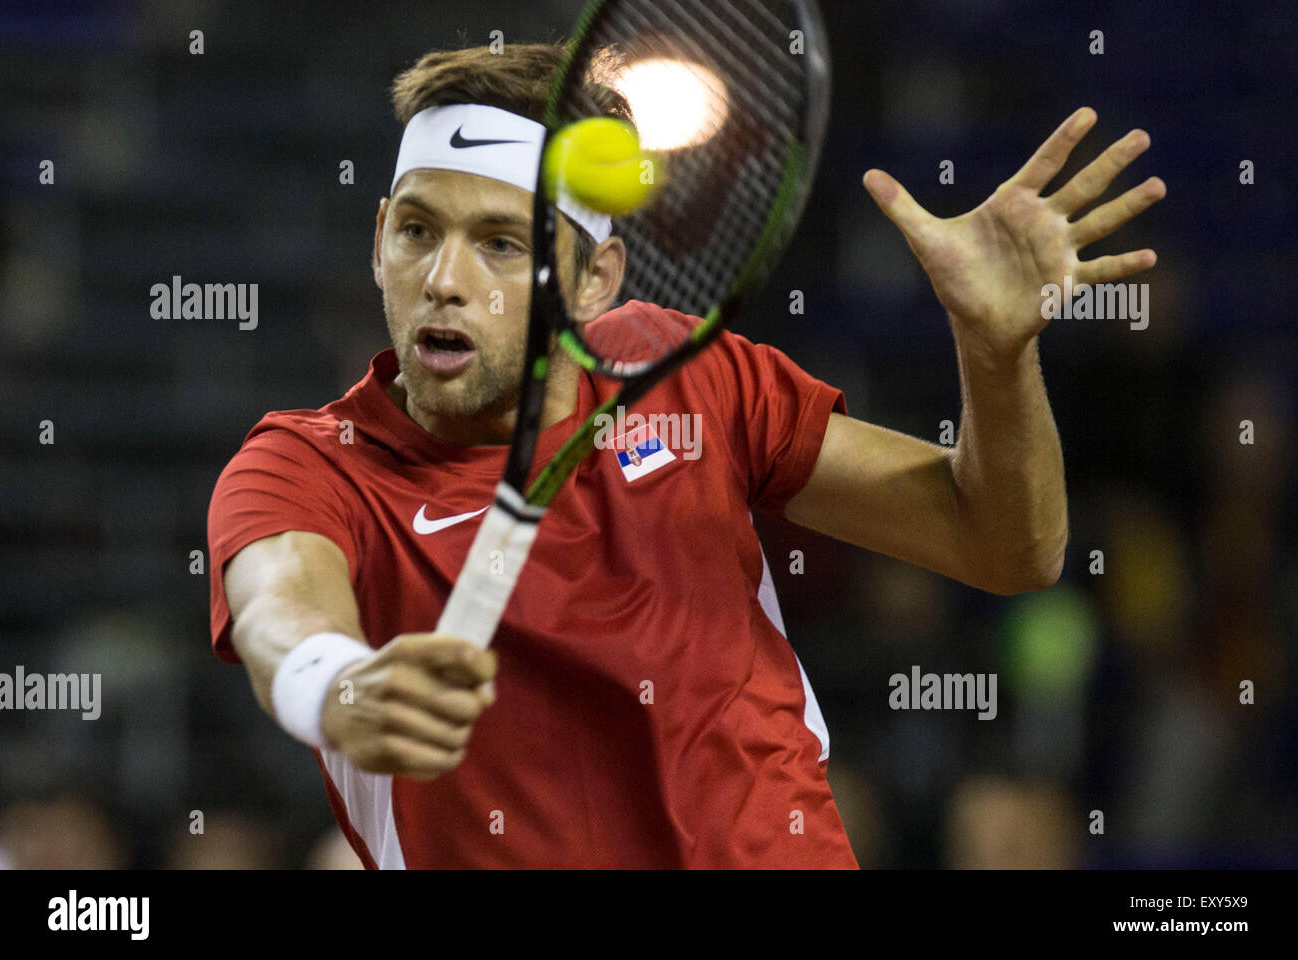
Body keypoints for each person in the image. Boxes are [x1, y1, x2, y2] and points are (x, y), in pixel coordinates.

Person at [207, 42, 1162, 868]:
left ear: (596, 279)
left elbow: (1008, 549)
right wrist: (331, 682)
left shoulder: (686, 374)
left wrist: (996, 358)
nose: (446, 279)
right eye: (419, 231)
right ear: (379, 240)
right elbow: (278, 609)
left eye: (504, 244)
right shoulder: (307, 465)